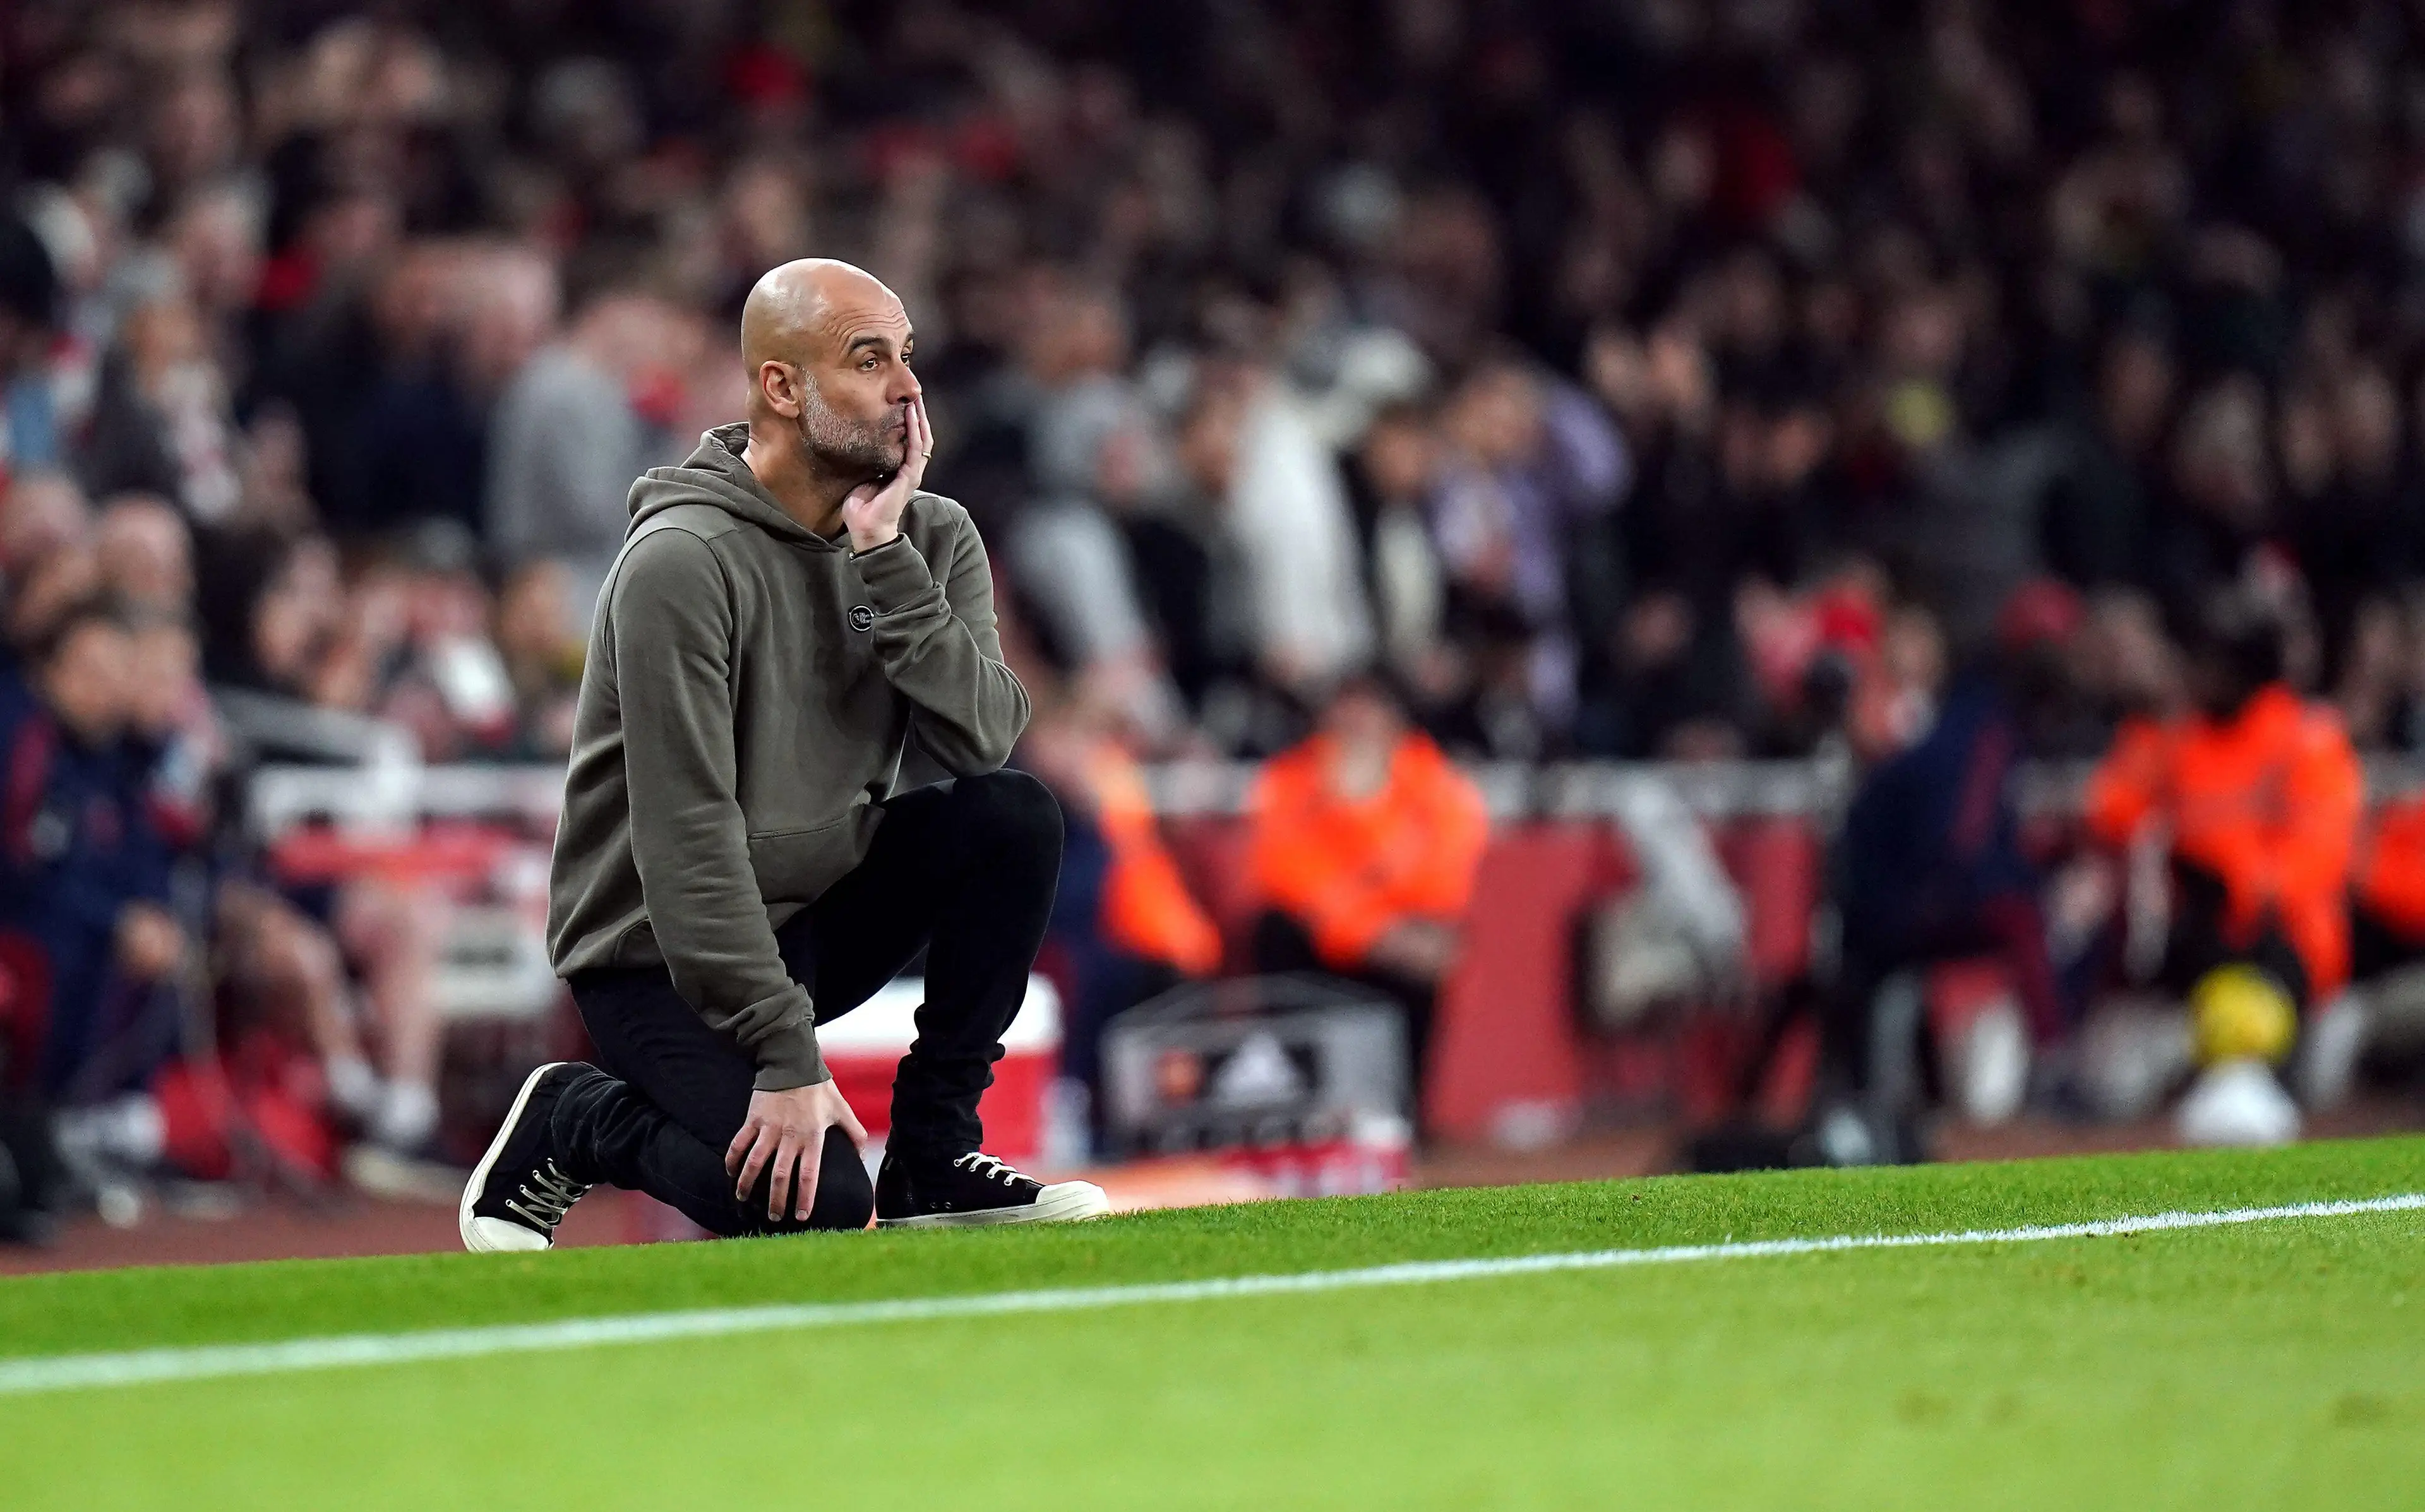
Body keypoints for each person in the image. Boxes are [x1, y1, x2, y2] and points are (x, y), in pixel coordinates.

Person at [462, 258, 1106, 1251]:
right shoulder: (681, 560)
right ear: (781, 387)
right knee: (824, 1205)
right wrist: (787, 1057)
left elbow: (985, 734)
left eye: (907, 357)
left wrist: (886, 564)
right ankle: (576, 1119)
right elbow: (687, 845)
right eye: (868, 360)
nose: (908, 389)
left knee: (1012, 815)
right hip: (658, 953)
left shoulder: (931, 537)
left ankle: (936, 1157)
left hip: (810, 919)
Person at [1245, 672, 1489, 1111]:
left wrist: (1367, 811)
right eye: (1345, 710)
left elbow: (1442, 884)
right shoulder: (1289, 780)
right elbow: (1287, 875)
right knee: (1273, 928)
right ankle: (1295, 1105)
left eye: (1368, 709)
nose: (1355, 723)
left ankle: (1403, 1112)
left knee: (1436, 944)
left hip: (1402, 945)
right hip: (1328, 943)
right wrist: (1372, 932)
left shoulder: (1438, 786)